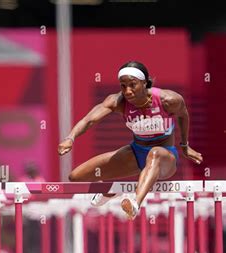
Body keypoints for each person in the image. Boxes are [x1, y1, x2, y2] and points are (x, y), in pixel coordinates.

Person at [58, 61, 203, 219]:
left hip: (165, 156)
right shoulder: (117, 102)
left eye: (132, 85)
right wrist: (70, 138)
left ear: (144, 82)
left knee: (155, 153)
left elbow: (183, 115)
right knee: (76, 176)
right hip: (136, 153)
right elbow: (89, 120)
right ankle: (111, 191)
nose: (127, 91)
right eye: (123, 85)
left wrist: (185, 145)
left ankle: (134, 204)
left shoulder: (168, 100)